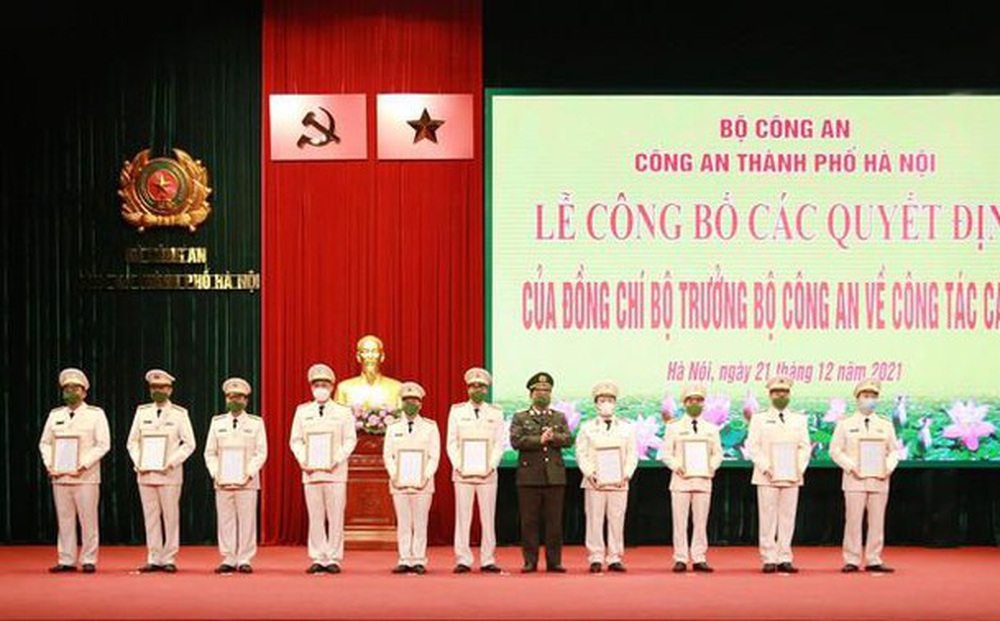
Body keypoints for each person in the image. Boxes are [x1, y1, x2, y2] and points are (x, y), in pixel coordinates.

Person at [38, 368, 110, 573]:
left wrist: (83, 464)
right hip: (60, 475)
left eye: (75, 389)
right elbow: (45, 443)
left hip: (86, 476)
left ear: (84, 392)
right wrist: (50, 464)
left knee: (88, 520)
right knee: (64, 519)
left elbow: (103, 444)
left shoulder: (95, 414)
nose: (71, 392)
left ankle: (89, 559)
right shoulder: (55, 415)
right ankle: (66, 559)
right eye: (67, 389)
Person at [125, 369, 196, 573]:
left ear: (170, 390)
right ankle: (154, 557)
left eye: (162, 387)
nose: (157, 391)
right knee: (150, 517)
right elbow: (132, 442)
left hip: (169, 474)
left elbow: (189, 444)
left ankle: (169, 557)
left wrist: (171, 462)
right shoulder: (142, 412)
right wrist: (138, 461)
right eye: (154, 387)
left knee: (170, 516)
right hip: (146, 473)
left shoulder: (179, 414)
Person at [289, 363, 357, 574]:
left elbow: (350, 439)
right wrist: (304, 460)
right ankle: (318, 556)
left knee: (336, 516)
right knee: (315, 516)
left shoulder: (343, 412)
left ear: (332, 387)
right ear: (311, 387)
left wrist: (336, 459)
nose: (320, 388)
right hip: (311, 472)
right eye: (317, 384)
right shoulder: (302, 411)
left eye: (324, 384)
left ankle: (333, 557)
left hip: (335, 472)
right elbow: (296, 440)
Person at [829, 377, 898, 573]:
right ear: (858, 398)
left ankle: (874, 558)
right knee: (853, 520)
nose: (870, 399)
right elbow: (835, 450)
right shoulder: (845, 424)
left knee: (877, 520)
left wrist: (887, 468)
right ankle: (851, 559)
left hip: (879, 478)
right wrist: (851, 467)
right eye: (866, 396)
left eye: (873, 396)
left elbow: (894, 451)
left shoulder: (885, 424)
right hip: (854, 479)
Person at [746, 375, 811, 574]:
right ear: (770, 395)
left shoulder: (799, 419)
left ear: (789, 394)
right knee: (767, 517)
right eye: (776, 392)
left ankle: (785, 557)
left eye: (784, 392)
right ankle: (769, 557)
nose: (780, 395)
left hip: (792, 475)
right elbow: (752, 446)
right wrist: (767, 467)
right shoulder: (759, 419)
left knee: (787, 517)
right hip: (767, 475)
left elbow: (805, 447)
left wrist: (798, 468)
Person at [509, 371, 571, 573]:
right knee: (529, 522)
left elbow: (568, 439)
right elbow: (516, 441)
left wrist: (553, 438)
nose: (543, 393)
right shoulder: (520, 417)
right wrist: (540, 440)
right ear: (531, 394)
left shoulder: (559, 416)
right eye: (539, 390)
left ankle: (554, 561)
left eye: (547, 390)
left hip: (554, 477)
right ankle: (530, 561)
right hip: (529, 477)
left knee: (554, 523)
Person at [204, 377, 268, 574]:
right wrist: (216, 473)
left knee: (247, 520)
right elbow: (210, 452)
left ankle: (245, 558)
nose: (235, 401)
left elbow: (261, 452)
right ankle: (229, 557)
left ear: (246, 400)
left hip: (247, 481)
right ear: (226, 399)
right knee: (226, 520)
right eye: (231, 397)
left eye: (239, 397)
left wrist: (248, 473)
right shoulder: (217, 423)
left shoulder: (256, 423)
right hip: (222, 480)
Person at [446, 367, 505, 574]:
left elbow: (499, 443)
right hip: (462, 473)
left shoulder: (496, 412)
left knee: (488, 518)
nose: (477, 390)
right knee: (463, 517)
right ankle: (463, 559)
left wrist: (491, 465)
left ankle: (488, 559)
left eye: (481, 387)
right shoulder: (457, 411)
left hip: (487, 474)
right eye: (473, 386)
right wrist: (459, 465)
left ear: (486, 389)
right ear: (467, 388)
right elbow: (451, 442)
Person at [575, 381, 638, 573]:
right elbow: (581, 453)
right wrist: (590, 473)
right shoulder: (587, 427)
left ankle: (614, 557)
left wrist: (626, 474)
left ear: (615, 403)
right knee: (594, 519)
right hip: (595, 482)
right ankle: (595, 557)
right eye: (602, 400)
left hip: (619, 481)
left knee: (617, 519)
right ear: (596, 404)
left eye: (610, 400)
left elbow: (632, 454)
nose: (606, 404)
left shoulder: (627, 428)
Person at [659, 384, 723, 573]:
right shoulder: (673, 427)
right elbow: (666, 454)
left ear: (703, 404)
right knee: (680, 522)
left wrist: (711, 467)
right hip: (681, 480)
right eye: (691, 400)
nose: (695, 404)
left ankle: (699, 557)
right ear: (684, 403)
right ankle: (680, 557)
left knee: (701, 521)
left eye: (699, 400)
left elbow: (718, 454)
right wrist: (676, 466)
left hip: (703, 480)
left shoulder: (711, 429)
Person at [383, 381, 439, 575]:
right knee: (404, 522)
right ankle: (404, 559)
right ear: (402, 403)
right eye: (406, 400)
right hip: (399, 483)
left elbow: (434, 456)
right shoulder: (392, 427)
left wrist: (425, 476)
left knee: (420, 522)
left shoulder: (430, 427)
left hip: (423, 484)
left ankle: (419, 560)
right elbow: (388, 456)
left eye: (414, 400)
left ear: (420, 404)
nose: (410, 404)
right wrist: (394, 475)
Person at [334, 335, 402, 412]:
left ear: (382, 356)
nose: (370, 356)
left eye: (374, 351)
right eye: (365, 352)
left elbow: (403, 417)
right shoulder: (344, 388)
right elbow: (336, 417)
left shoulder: (396, 388)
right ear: (358, 357)